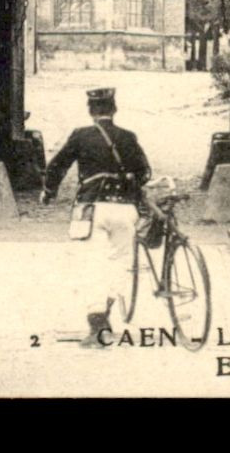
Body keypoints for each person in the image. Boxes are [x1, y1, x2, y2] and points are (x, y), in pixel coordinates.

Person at [40, 87, 151, 347]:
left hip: (91, 209)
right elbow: (144, 172)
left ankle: (97, 324)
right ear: (114, 110)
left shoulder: (80, 136)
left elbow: (58, 165)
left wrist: (48, 192)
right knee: (120, 262)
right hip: (125, 209)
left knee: (92, 263)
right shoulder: (128, 137)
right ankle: (106, 313)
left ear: (90, 111)